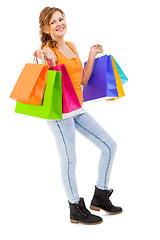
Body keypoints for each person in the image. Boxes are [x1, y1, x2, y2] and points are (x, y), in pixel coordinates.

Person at [34, 6, 122, 225]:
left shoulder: (71, 46)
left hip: (77, 109)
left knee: (109, 145)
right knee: (70, 160)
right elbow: (47, 64)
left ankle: (100, 196)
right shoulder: (49, 50)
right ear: (46, 28)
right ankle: (75, 208)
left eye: (61, 19)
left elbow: (82, 80)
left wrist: (91, 55)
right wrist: (42, 57)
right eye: (52, 22)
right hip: (60, 113)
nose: (58, 24)